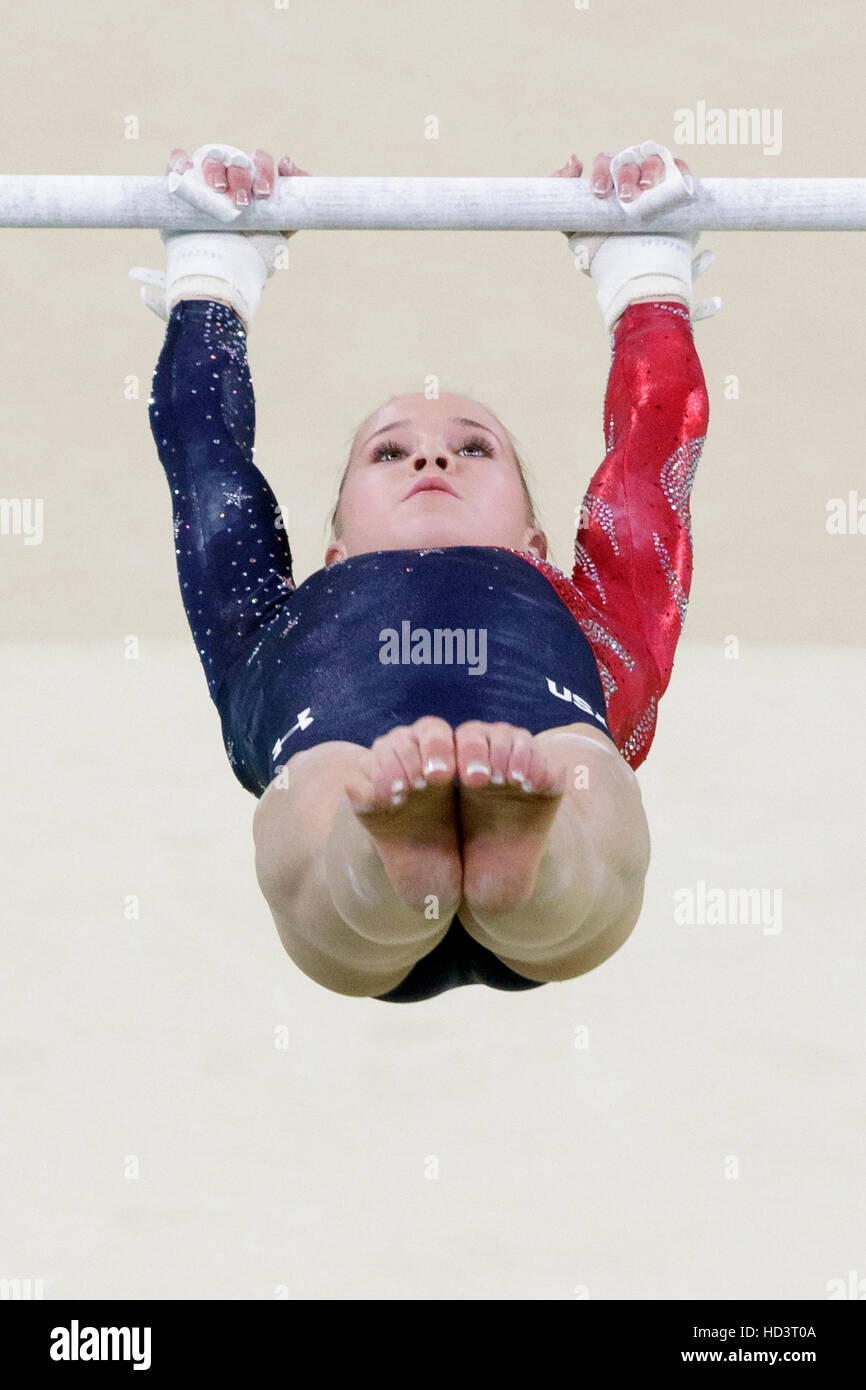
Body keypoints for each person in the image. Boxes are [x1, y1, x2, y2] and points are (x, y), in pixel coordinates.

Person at [132, 140, 717, 1003]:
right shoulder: (286, 616)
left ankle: (515, 865)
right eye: (389, 451)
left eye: (472, 447)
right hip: (373, 824)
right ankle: (398, 864)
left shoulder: (576, 606)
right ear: (334, 550)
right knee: (332, 787)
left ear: (532, 541)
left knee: (570, 768)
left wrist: (210, 272)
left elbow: (205, 459)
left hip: (475, 775)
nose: (430, 458)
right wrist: (648, 275)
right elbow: (652, 455)